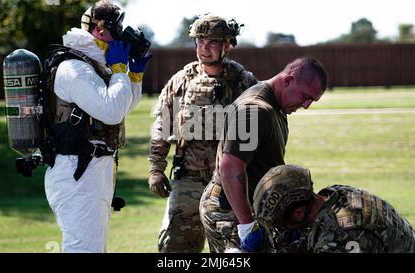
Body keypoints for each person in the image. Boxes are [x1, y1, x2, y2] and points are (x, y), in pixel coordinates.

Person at [44, 0, 150, 252]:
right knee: (84, 248)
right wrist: (119, 70)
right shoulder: (75, 68)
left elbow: (121, 106)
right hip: (77, 170)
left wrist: (133, 77)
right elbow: (111, 112)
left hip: (92, 169)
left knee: (92, 247)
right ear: (100, 30)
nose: (123, 33)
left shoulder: (92, 65)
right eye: (118, 27)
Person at [148, 14, 258, 253]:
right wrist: (156, 169)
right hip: (187, 180)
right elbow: (162, 125)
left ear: (226, 45)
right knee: (175, 250)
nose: (204, 49)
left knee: (231, 250)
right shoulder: (181, 81)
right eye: (199, 42)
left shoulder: (243, 83)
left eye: (212, 43)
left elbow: (260, 132)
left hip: (226, 185)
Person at [199, 57, 328, 253]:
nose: (306, 105)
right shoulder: (254, 110)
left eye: (312, 100)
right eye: (305, 96)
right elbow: (230, 167)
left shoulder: (275, 106)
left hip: (249, 208)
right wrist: (246, 226)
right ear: (288, 80)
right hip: (231, 211)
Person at [253, 164, 415, 253]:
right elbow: (306, 244)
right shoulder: (336, 194)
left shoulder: (341, 232)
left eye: (283, 223)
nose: (284, 228)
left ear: (298, 212)